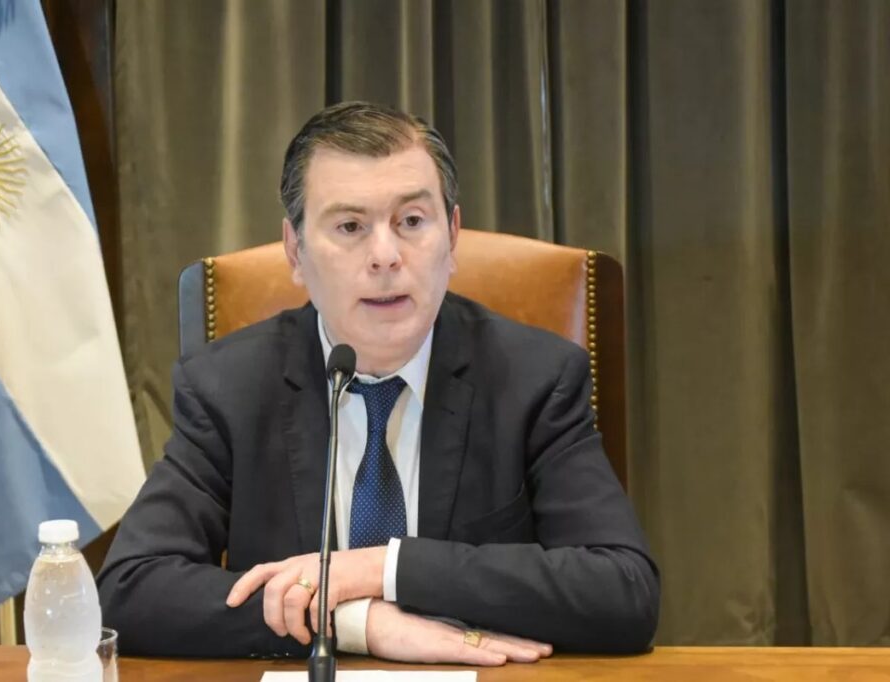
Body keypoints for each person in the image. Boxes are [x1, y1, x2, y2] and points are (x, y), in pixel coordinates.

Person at [97, 101, 660, 664]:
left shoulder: (534, 378)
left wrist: (382, 568)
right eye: (350, 227)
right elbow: (130, 591)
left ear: (452, 235)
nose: (386, 256)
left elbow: (623, 592)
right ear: (295, 251)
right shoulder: (229, 387)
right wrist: (351, 620)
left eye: (411, 221)